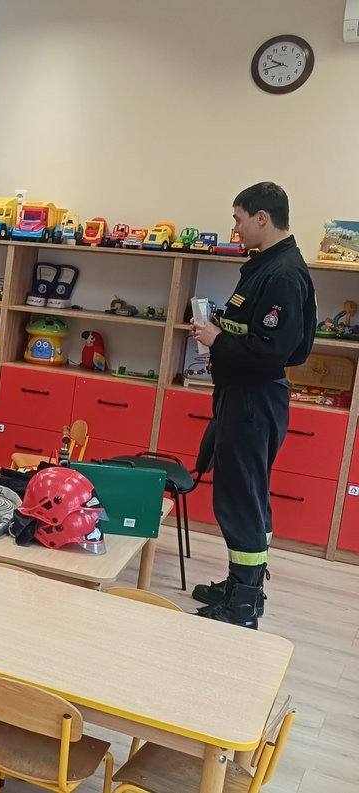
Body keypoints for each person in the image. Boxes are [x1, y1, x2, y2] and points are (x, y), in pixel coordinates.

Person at [189, 181, 315, 629]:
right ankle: (242, 584)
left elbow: (275, 350)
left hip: (253, 398)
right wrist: (222, 327)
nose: (236, 228)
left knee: (240, 500)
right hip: (243, 394)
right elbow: (257, 332)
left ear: (262, 218)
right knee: (246, 494)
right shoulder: (266, 266)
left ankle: (243, 604)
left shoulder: (283, 275)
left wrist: (217, 339)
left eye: (239, 219)